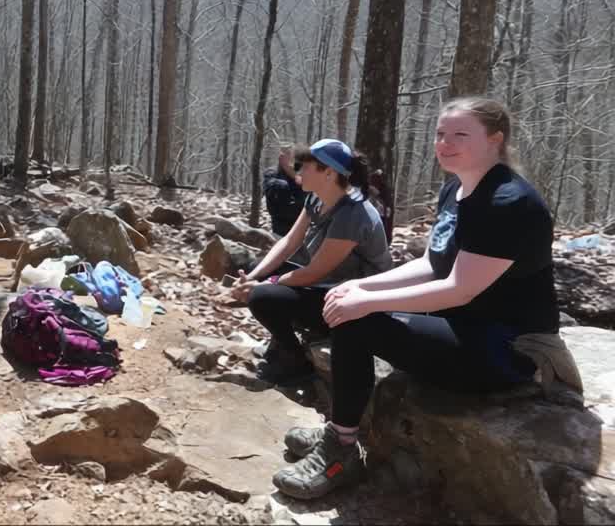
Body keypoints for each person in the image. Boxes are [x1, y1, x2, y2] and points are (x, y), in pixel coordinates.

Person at [271, 97, 571, 500]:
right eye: (440, 134)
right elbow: (433, 264)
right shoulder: (457, 189)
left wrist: (368, 303)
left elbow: (459, 288)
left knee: (356, 320)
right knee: (349, 304)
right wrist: (366, 287)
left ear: (495, 140)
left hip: (509, 351)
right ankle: (341, 430)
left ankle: (341, 451)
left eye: (460, 135)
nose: (445, 144)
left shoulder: (507, 202)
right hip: (463, 327)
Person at [233, 139, 393, 385]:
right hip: (329, 285)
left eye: (305, 167)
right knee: (261, 270)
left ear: (328, 173)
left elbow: (314, 272)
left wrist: (267, 284)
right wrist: (255, 277)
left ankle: (296, 360)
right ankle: (287, 341)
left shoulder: (353, 213)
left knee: (262, 297)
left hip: (355, 303)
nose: (298, 172)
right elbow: (289, 242)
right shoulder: (317, 198)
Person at [263, 147, 304, 236]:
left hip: (300, 222)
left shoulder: (300, 173)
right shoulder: (272, 172)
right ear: (280, 158)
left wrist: (294, 176)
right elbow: (273, 189)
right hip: (280, 223)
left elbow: (308, 190)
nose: (291, 160)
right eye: (288, 156)